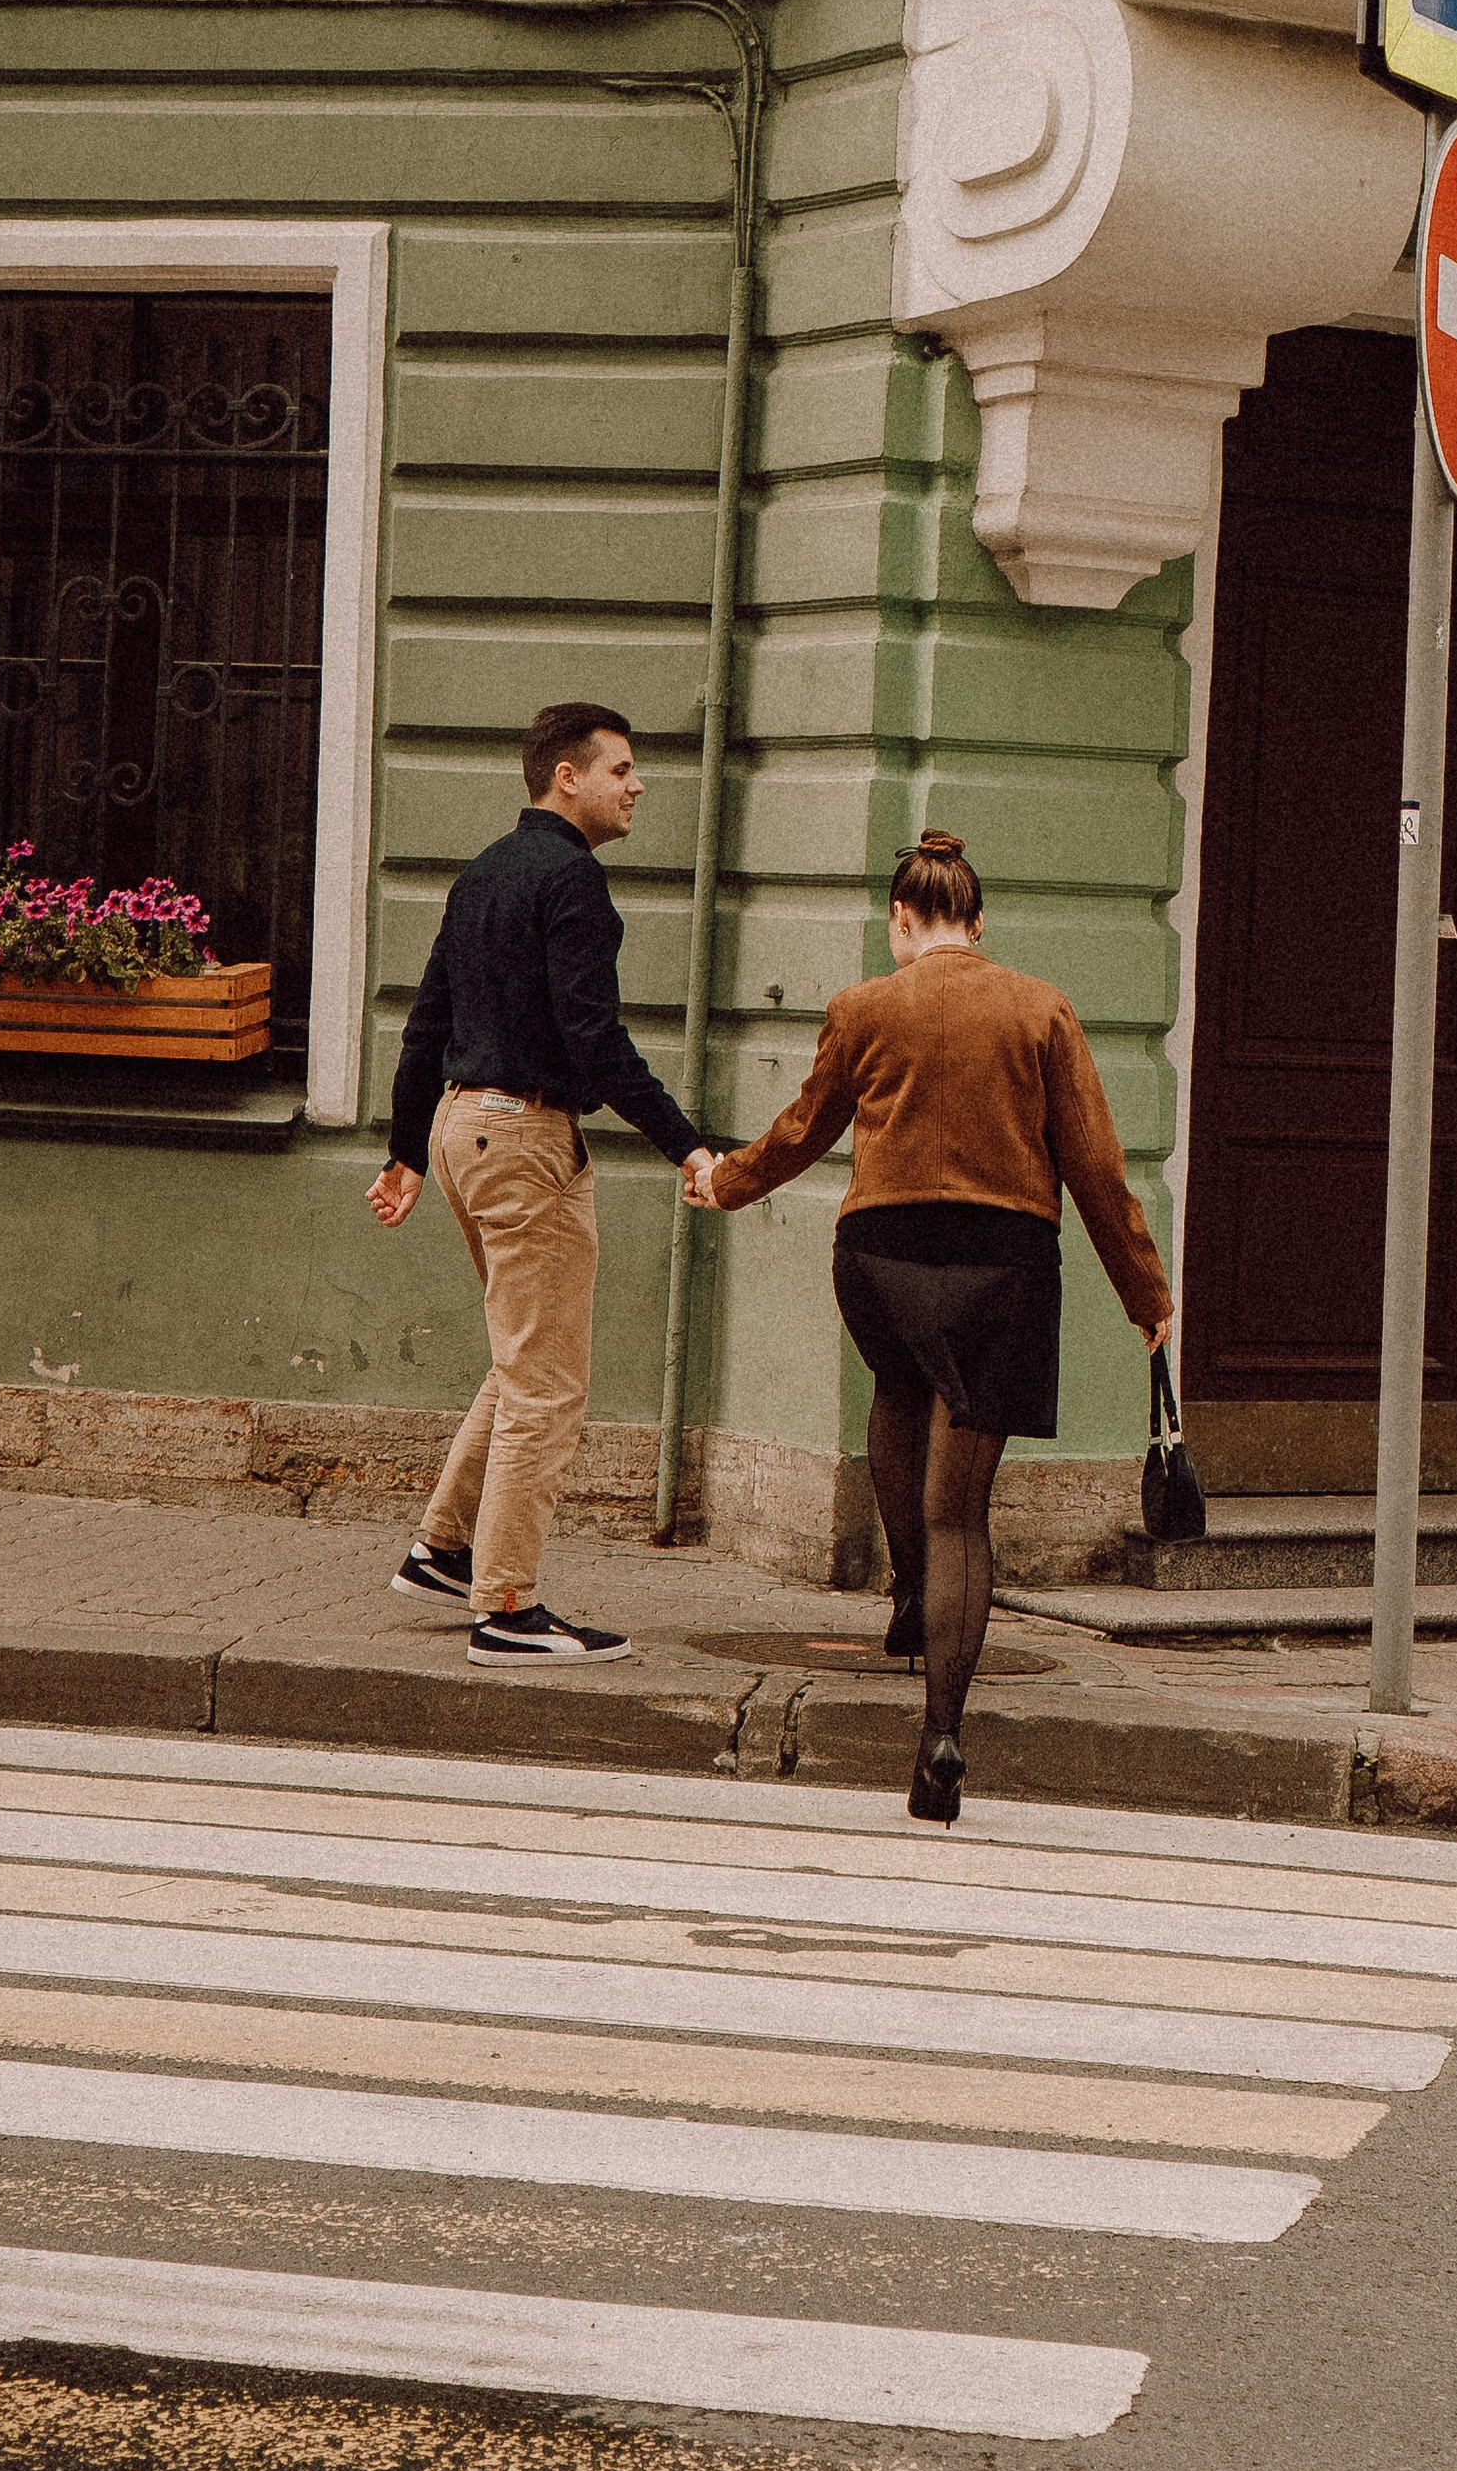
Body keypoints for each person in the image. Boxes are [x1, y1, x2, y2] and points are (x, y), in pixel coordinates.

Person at [686, 828, 1171, 1823]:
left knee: (899, 1388)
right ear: (979, 924)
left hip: (879, 1260)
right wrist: (1147, 1298)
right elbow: (1094, 1167)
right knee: (964, 1511)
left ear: (901, 923)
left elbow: (800, 1131)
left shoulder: (863, 1007)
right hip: (1004, 1266)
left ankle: (908, 1595)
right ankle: (942, 1733)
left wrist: (723, 1181)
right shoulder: (1041, 1008)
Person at [367, 703, 721, 1666]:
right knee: (548, 1387)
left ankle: (443, 1547)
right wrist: (687, 1145)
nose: (636, 784)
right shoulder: (574, 883)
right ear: (566, 776)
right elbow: (594, 1042)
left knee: (521, 1357)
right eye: (621, 768)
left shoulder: (482, 873)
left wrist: (405, 1151)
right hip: (525, 1140)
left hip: (458, 1132)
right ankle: (507, 1607)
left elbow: (424, 1022)